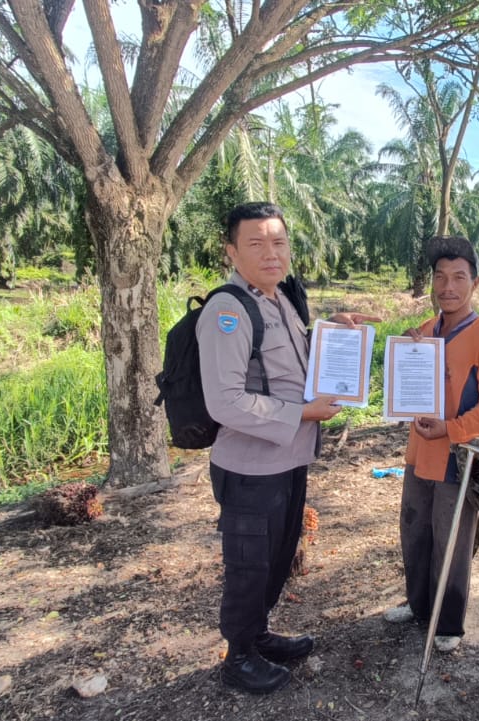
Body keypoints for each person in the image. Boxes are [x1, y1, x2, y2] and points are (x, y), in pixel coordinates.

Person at [199, 201, 378, 694]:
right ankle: (238, 657)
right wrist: (302, 413)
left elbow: (291, 367)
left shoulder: (278, 301)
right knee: (249, 564)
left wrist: (331, 328)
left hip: (288, 459)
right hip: (250, 468)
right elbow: (225, 402)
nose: (271, 253)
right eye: (256, 243)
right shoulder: (228, 310)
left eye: (278, 242)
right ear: (232, 251)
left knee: (277, 558)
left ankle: (257, 636)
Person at [382, 235, 479, 652]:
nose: (448, 287)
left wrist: (452, 429)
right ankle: (418, 605)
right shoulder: (423, 333)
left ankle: (449, 623)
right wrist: (405, 356)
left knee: (450, 542)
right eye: (440, 277)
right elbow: (406, 386)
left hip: (456, 458)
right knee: (414, 532)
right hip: (419, 454)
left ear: (476, 283)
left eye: (458, 277)